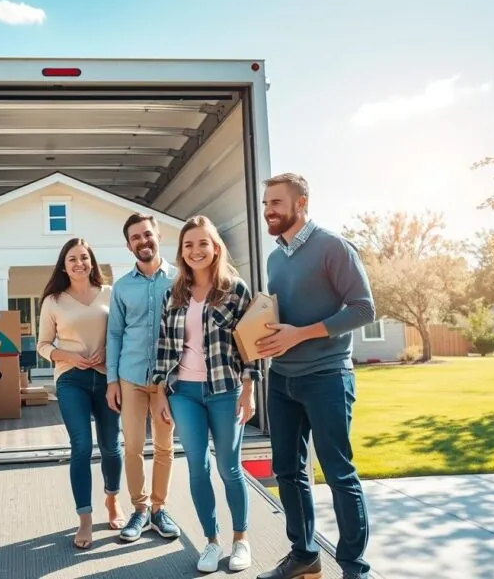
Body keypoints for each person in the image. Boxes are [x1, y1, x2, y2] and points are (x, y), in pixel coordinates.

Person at [254, 173, 376, 579]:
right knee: (287, 471)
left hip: (327, 377)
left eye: (276, 203)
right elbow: (281, 318)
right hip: (282, 380)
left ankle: (354, 567)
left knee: (339, 474)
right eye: (266, 203)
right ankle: (304, 554)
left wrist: (299, 335)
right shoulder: (275, 258)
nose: (268, 210)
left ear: (301, 202)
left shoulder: (333, 247)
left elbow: (363, 310)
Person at [151, 215, 262, 574]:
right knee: (197, 468)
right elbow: (165, 347)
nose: (196, 250)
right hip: (183, 392)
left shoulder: (236, 290)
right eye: (188, 245)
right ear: (181, 252)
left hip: (225, 390)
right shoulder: (174, 293)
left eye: (203, 243)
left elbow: (251, 345)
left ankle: (241, 540)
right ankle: (211, 542)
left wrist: (249, 389)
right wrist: (160, 392)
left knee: (230, 468)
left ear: (215, 248)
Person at [36, 237, 124, 550]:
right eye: (72, 259)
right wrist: (70, 357)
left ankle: (112, 499)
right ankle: (85, 518)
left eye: (84, 258)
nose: (79, 264)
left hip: (107, 378)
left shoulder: (111, 294)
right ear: (64, 264)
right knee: (82, 446)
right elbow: (43, 345)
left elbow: (122, 333)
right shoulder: (53, 301)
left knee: (112, 447)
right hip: (71, 379)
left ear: (92, 262)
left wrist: (107, 355)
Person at [105, 212, 181, 542]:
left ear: (158, 236)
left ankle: (159, 509)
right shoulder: (121, 288)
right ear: (128, 245)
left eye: (147, 234)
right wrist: (111, 380)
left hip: (170, 381)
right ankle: (139, 510)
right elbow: (114, 335)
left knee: (164, 446)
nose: (142, 241)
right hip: (130, 377)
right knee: (133, 445)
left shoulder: (180, 280)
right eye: (135, 237)